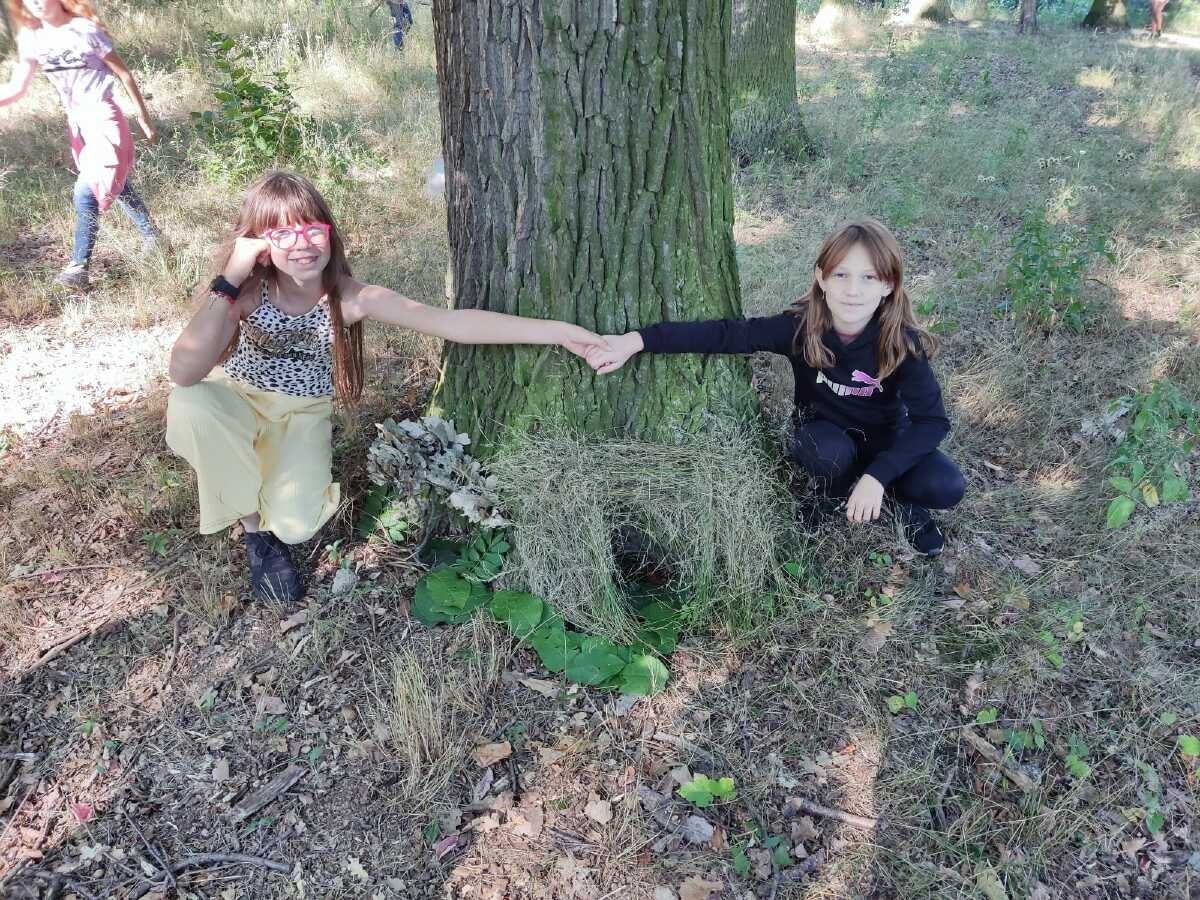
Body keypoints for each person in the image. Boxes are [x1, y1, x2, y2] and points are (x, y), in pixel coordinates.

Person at [167, 170, 608, 601]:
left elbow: (451, 323)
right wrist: (229, 279)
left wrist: (557, 332)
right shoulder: (245, 293)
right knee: (192, 404)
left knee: (297, 526)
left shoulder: (350, 297)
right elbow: (184, 373)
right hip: (238, 399)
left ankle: (259, 484)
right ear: (260, 246)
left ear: (329, 233)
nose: (302, 243)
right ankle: (254, 531)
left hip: (300, 412)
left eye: (312, 229)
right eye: (283, 234)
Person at [586, 218, 965, 557]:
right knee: (824, 451)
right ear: (821, 278)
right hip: (825, 437)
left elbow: (932, 422)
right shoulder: (801, 328)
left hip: (885, 441)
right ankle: (831, 493)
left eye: (868, 277)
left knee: (945, 485)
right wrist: (636, 341)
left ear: (888, 285)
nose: (853, 290)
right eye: (841, 275)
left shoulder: (901, 343)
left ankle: (898, 499)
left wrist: (879, 475)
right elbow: (726, 334)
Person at [0, 0, 161, 289]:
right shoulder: (32, 37)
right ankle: (153, 236)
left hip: (103, 117)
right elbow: (17, 87)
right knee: (113, 181)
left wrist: (143, 115)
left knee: (86, 190)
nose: (35, 3)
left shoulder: (85, 30)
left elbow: (123, 73)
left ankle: (79, 267)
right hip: (78, 124)